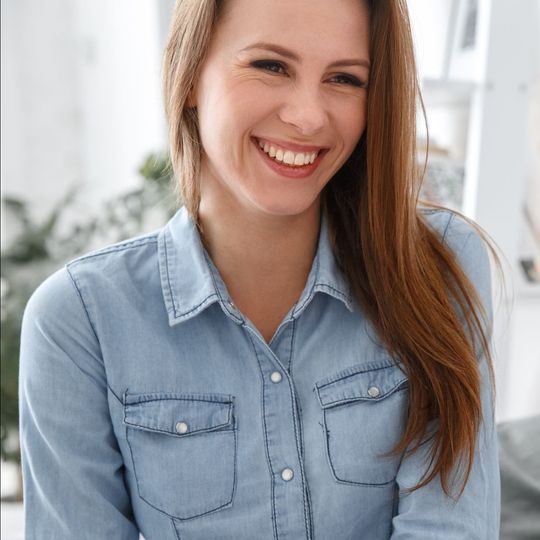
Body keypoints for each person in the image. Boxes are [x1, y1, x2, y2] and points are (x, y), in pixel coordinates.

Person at [19, 0, 501, 538]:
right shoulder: (80, 320)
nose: (308, 115)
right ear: (188, 76)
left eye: (344, 78)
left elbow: (449, 526)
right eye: (271, 66)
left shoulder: (438, 268)